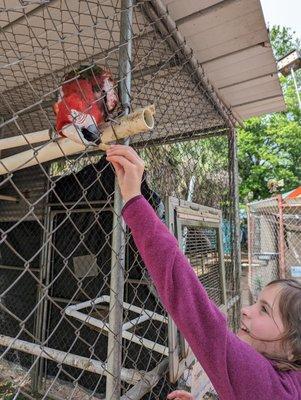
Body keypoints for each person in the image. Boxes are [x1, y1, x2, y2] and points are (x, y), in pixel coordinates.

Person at [106, 144, 301, 400]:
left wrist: (133, 198)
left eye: (264, 309)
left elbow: (195, 306)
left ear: (292, 349)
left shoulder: (268, 388)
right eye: (256, 303)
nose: (245, 309)